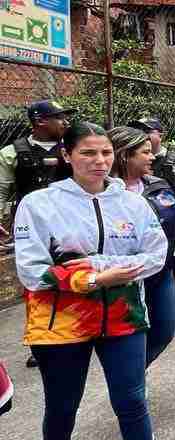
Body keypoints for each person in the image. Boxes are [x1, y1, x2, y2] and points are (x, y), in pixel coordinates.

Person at [14, 122, 175, 440]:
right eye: (88, 152)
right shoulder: (39, 204)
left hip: (123, 317)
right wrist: (94, 279)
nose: (99, 161)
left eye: (105, 152)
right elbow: (32, 271)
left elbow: (156, 254)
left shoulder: (133, 204)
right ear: (67, 155)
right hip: (61, 324)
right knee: (62, 404)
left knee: (132, 401)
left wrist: (91, 266)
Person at [0, 99, 76, 368]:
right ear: (40, 121)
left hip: (70, 224)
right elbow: (2, 188)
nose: (66, 122)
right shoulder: (12, 153)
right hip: (32, 229)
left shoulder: (73, 147)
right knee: (36, 283)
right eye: (59, 117)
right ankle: (42, 340)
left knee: (75, 276)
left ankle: (77, 330)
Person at [107, 126, 175, 367]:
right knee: (127, 337)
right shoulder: (103, 193)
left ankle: (135, 372)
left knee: (164, 331)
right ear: (124, 155)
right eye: (145, 152)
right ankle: (131, 378)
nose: (152, 157)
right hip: (122, 277)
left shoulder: (158, 185)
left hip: (161, 272)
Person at [131, 116, 175, 328]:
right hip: (146, 237)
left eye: (148, 131)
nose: (143, 135)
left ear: (160, 135)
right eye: (138, 131)